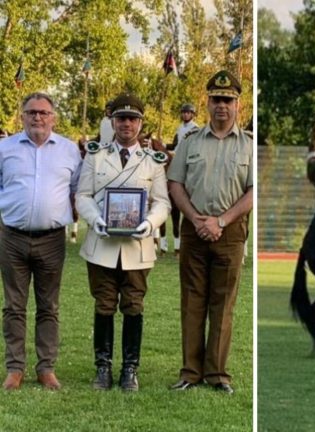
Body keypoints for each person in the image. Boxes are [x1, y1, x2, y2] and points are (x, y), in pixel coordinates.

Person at [75, 93, 170, 391]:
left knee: (133, 305)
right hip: (102, 244)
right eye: (121, 118)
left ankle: (130, 369)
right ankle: (102, 368)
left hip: (137, 247)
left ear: (141, 123)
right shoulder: (95, 155)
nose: (127, 124)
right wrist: (95, 219)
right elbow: (82, 196)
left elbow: (162, 202)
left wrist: (149, 223)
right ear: (112, 122)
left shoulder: (152, 161)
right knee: (104, 304)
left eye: (133, 119)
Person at [167, 70, 252, 395]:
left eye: (228, 100)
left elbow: (252, 192)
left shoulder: (248, 145)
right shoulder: (190, 142)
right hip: (193, 230)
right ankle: (190, 372)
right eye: (216, 99)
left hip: (229, 233)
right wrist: (196, 219)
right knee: (192, 301)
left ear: (237, 104)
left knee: (223, 303)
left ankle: (217, 374)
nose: (221, 106)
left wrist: (221, 221)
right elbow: (175, 183)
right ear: (207, 102)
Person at [0, 92, 82, 391]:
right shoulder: (4, 149)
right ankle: (15, 368)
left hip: (51, 239)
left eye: (44, 113)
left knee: (49, 306)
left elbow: (77, 190)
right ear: (21, 116)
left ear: (53, 117)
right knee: (14, 306)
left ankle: (46, 368)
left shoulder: (69, 151)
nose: (38, 117)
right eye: (32, 112)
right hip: (11, 238)